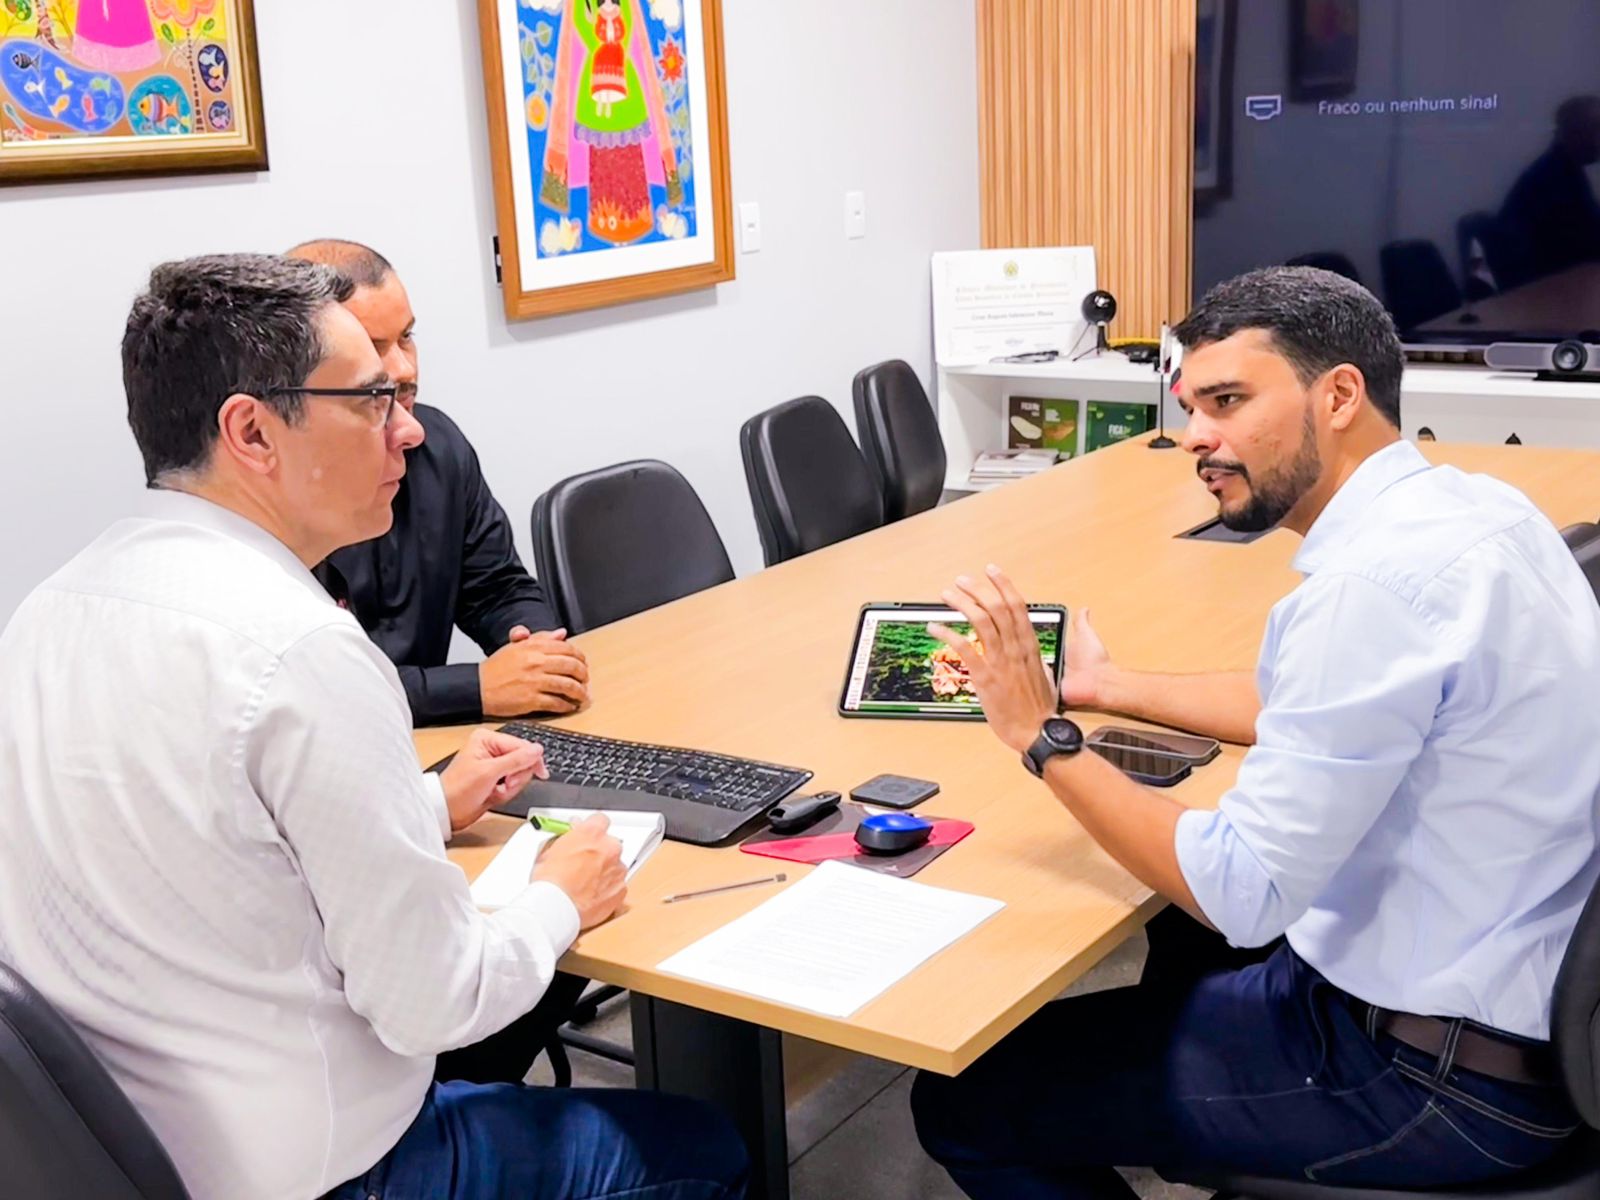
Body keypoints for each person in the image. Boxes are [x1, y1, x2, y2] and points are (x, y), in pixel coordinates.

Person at [0, 253, 748, 1200]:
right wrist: (564, 892)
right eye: (372, 400)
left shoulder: (53, 606)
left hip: (120, 1146)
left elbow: (210, 843)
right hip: (326, 1168)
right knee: (701, 1152)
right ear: (253, 433)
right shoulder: (299, 647)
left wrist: (425, 804)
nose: (407, 433)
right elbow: (436, 1000)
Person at [909, 266, 1600, 1197]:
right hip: (1534, 1011)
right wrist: (1105, 685)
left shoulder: (1369, 593)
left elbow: (1242, 891)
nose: (1198, 437)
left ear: (1341, 395)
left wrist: (1043, 738)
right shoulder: (1480, 509)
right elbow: (1306, 706)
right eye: (1193, 406)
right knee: (1179, 954)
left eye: (1229, 402)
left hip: (1439, 1087)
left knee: (967, 1097)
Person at [285, 238, 589, 729]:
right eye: (373, 346)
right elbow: (313, 686)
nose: (404, 368)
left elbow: (496, 587)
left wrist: (536, 649)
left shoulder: (436, 444)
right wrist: (477, 688)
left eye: (405, 337)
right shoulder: (278, 488)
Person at [1497, 95, 1600, 287]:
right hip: (1538, 293)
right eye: (1596, 130)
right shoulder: (1550, 179)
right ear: (1576, 134)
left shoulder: (1565, 167)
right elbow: (1584, 242)